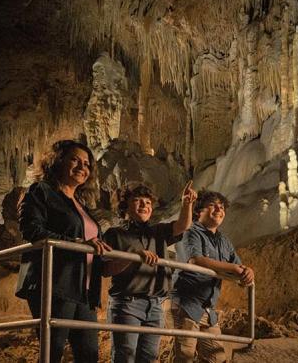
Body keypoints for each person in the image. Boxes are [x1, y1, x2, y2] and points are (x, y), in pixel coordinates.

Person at [15, 139, 112, 362]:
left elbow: (91, 241)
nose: (82, 167)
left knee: (89, 354)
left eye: (87, 164)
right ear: (57, 161)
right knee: (53, 351)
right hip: (55, 283)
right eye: (75, 160)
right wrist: (77, 243)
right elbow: (32, 230)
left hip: (84, 289)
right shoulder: (41, 192)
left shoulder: (80, 204)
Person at [103, 181, 197, 363]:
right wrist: (134, 256)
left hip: (155, 305)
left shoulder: (158, 232)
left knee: (148, 358)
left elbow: (182, 226)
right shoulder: (115, 234)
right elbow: (106, 269)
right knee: (125, 357)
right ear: (125, 205)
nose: (144, 205)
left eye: (147, 202)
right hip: (127, 304)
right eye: (137, 200)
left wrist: (187, 203)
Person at [171, 190, 255, 363]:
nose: (219, 209)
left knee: (216, 357)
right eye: (212, 205)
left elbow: (238, 268)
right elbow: (195, 260)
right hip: (186, 305)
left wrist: (247, 272)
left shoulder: (224, 241)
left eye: (222, 206)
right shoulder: (190, 231)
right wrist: (234, 268)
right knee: (184, 357)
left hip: (208, 309)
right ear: (198, 211)